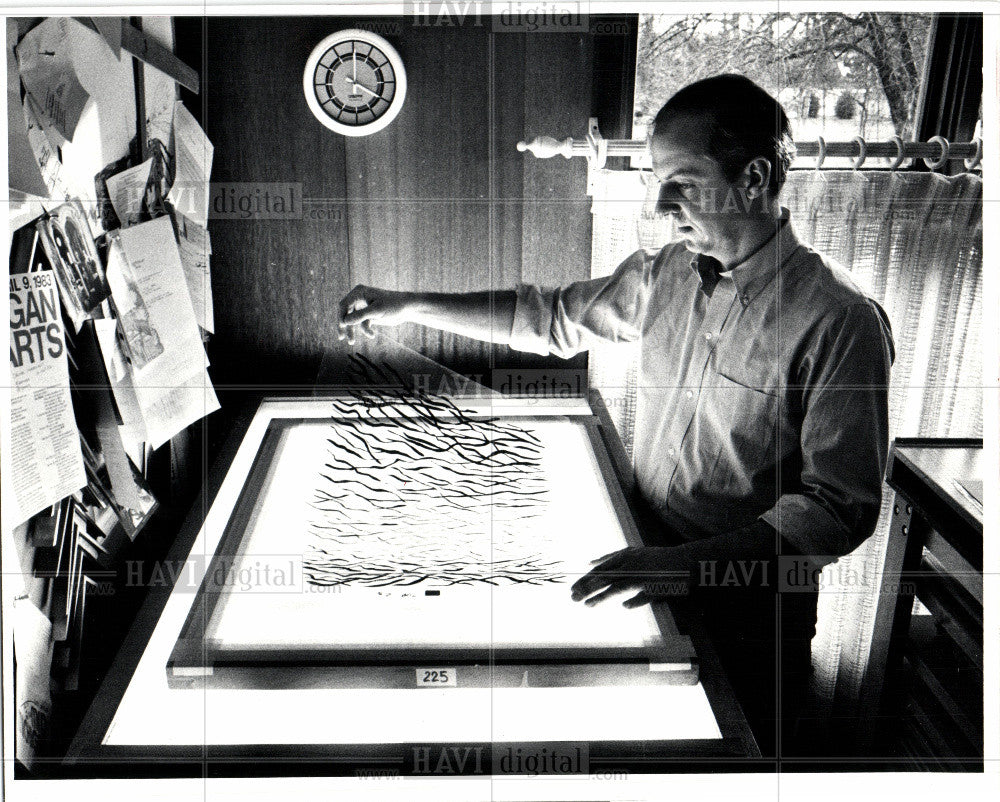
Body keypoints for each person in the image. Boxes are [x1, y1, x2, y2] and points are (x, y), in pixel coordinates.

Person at [337, 74, 894, 761]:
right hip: (645, 556)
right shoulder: (667, 274)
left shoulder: (841, 319)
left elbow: (837, 510)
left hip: (748, 609)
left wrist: (685, 567)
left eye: (683, 183)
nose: (663, 206)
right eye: (658, 181)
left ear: (754, 178)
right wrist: (408, 303)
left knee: (741, 763)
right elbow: (548, 316)